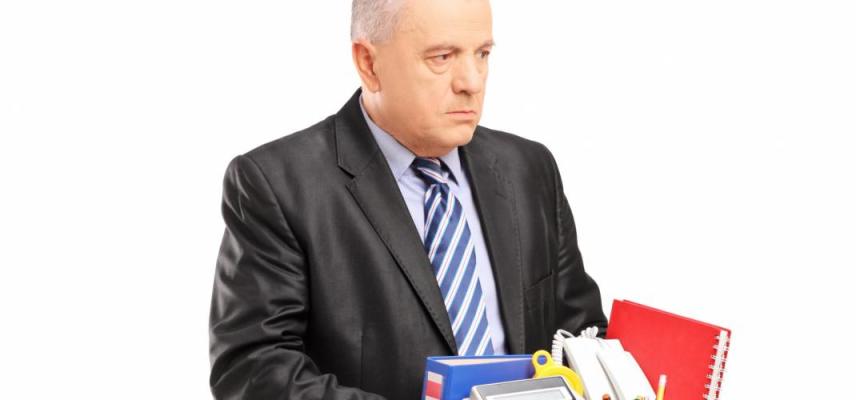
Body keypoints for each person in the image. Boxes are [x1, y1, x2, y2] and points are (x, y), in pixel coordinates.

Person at [208, 0, 606, 398]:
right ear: (368, 63)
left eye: (482, 53)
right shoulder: (277, 184)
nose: (471, 80)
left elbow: (582, 334)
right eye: (442, 57)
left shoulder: (530, 169)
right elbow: (253, 372)